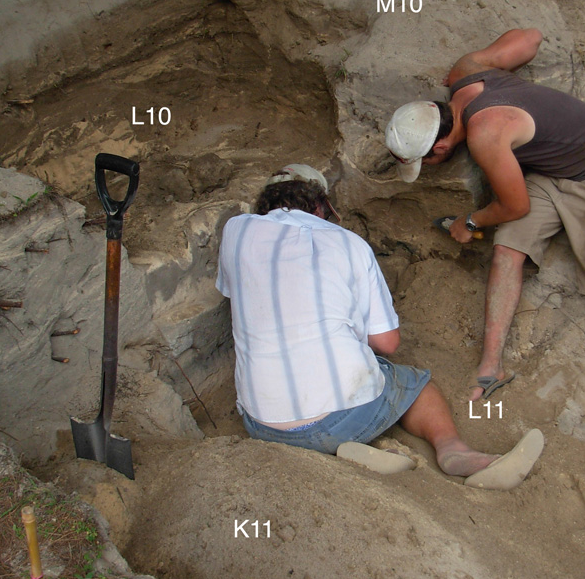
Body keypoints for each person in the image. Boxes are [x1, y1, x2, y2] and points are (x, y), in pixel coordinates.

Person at [385, 28, 585, 440]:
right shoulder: (466, 72)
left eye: (425, 161)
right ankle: (491, 366)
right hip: (549, 170)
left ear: (439, 149)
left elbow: (515, 207)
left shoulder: (485, 135)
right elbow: (530, 38)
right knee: (507, 250)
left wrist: (470, 222)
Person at [216, 164, 543, 488]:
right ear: (321, 205)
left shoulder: (235, 232)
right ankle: (453, 451)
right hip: (341, 418)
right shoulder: (348, 243)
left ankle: (352, 451)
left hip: (261, 425)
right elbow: (387, 342)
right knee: (414, 384)